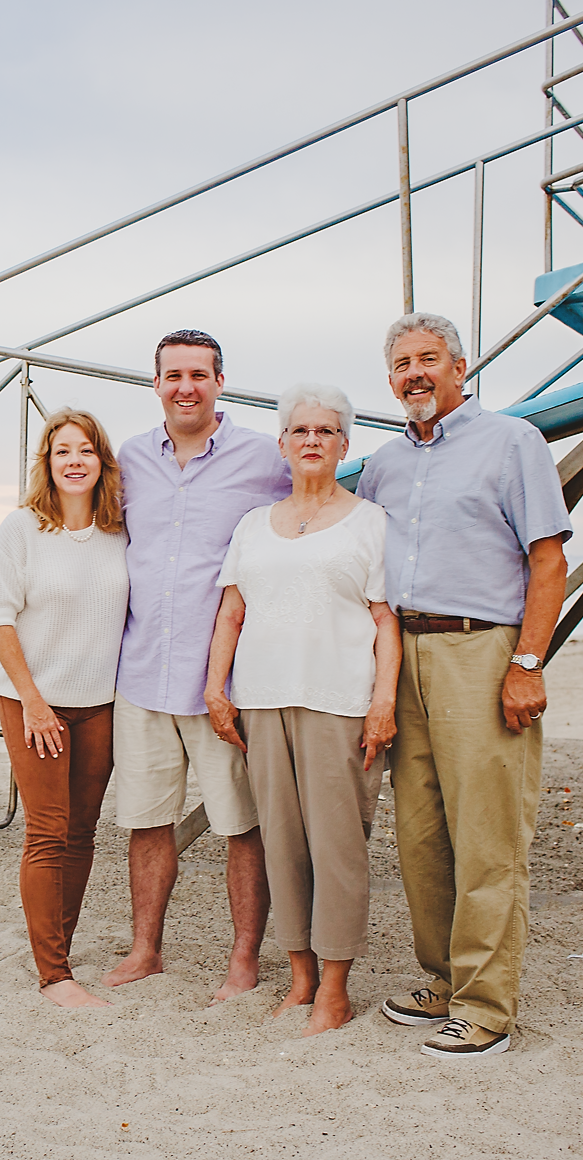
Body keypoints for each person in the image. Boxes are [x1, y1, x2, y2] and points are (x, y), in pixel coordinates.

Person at [356, 312, 570, 1059]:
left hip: (481, 652)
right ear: (390, 380)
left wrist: (527, 664)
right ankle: (443, 979)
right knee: (419, 835)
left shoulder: (513, 442)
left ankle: (485, 1007)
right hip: (401, 653)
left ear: (459, 365)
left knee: (487, 834)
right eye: (402, 364)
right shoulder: (382, 465)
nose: (415, 373)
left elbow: (548, 559)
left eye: (429, 358)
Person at [204, 382, 400, 1036]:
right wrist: (216, 688)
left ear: (344, 444)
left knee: (337, 848)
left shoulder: (371, 523)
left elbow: (386, 621)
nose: (312, 440)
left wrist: (382, 703)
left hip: (339, 702)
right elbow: (231, 612)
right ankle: (301, 981)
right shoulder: (253, 525)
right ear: (283, 444)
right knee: (282, 846)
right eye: (300, 431)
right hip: (261, 702)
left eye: (325, 431)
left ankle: (335, 991)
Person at [103, 330, 292, 999]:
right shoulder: (130, 458)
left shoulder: (264, 457)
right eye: (174, 375)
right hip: (140, 674)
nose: (186, 387)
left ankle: (243, 958)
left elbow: (310, 514)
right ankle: (145, 949)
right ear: (156, 383)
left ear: (220, 382)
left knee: (242, 826)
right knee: (146, 820)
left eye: (199, 375)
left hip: (224, 681)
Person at [0, 408, 130, 1008]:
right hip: (33, 703)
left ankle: (59, 949)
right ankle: (55, 977)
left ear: (102, 462)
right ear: (46, 462)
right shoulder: (21, 529)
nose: (74, 461)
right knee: (46, 832)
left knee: (82, 832)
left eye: (86, 450)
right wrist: (34, 702)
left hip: (100, 704)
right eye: (62, 450)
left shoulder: (120, 531)